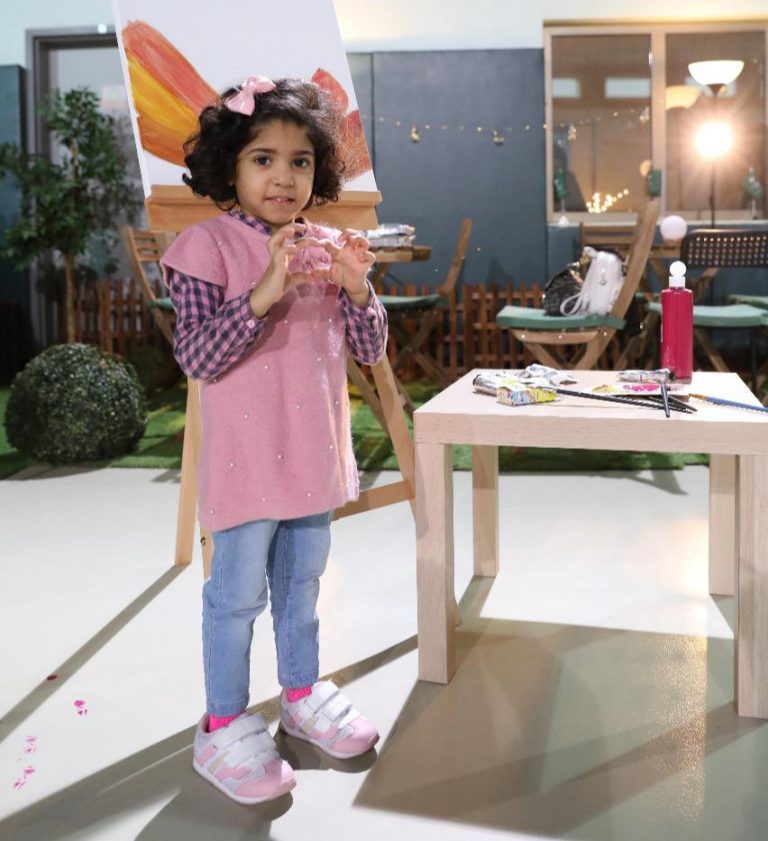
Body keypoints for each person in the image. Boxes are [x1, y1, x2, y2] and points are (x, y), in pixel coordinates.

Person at [161, 75, 388, 805]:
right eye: (263, 158)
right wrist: (267, 288)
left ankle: (300, 692)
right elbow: (197, 357)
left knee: (302, 588)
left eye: (299, 161)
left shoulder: (326, 247)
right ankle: (223, 723)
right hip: (244, 465)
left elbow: (369, 347)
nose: (283, 177)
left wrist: (358, 288)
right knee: (234, 600)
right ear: (229, 165)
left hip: (313, 456)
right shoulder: (202, 248)